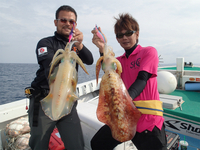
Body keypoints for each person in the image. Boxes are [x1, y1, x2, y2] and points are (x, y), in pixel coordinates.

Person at [90, 13, 167, 150]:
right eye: (120, 35)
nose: (124, 37)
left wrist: (124, 100)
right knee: (97, 143)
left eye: (128, 33)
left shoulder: (148, 52)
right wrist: (102, 49)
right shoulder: (118, 61)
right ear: (117, 39)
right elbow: (108, 71)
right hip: (124, 120)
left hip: (148, 122)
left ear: (137, 34)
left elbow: (142, 79)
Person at [27, 5, 93, 150]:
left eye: (72, 22)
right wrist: (69, 53)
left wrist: (80, 44)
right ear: (56, 22)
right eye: (63, 20)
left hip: (68, 101)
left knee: (76, 144)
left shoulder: (75, 46)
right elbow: (49, 65)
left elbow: (89, 60)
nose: (68, 24)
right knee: (39, 144)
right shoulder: (45, 43)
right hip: (43, 101)